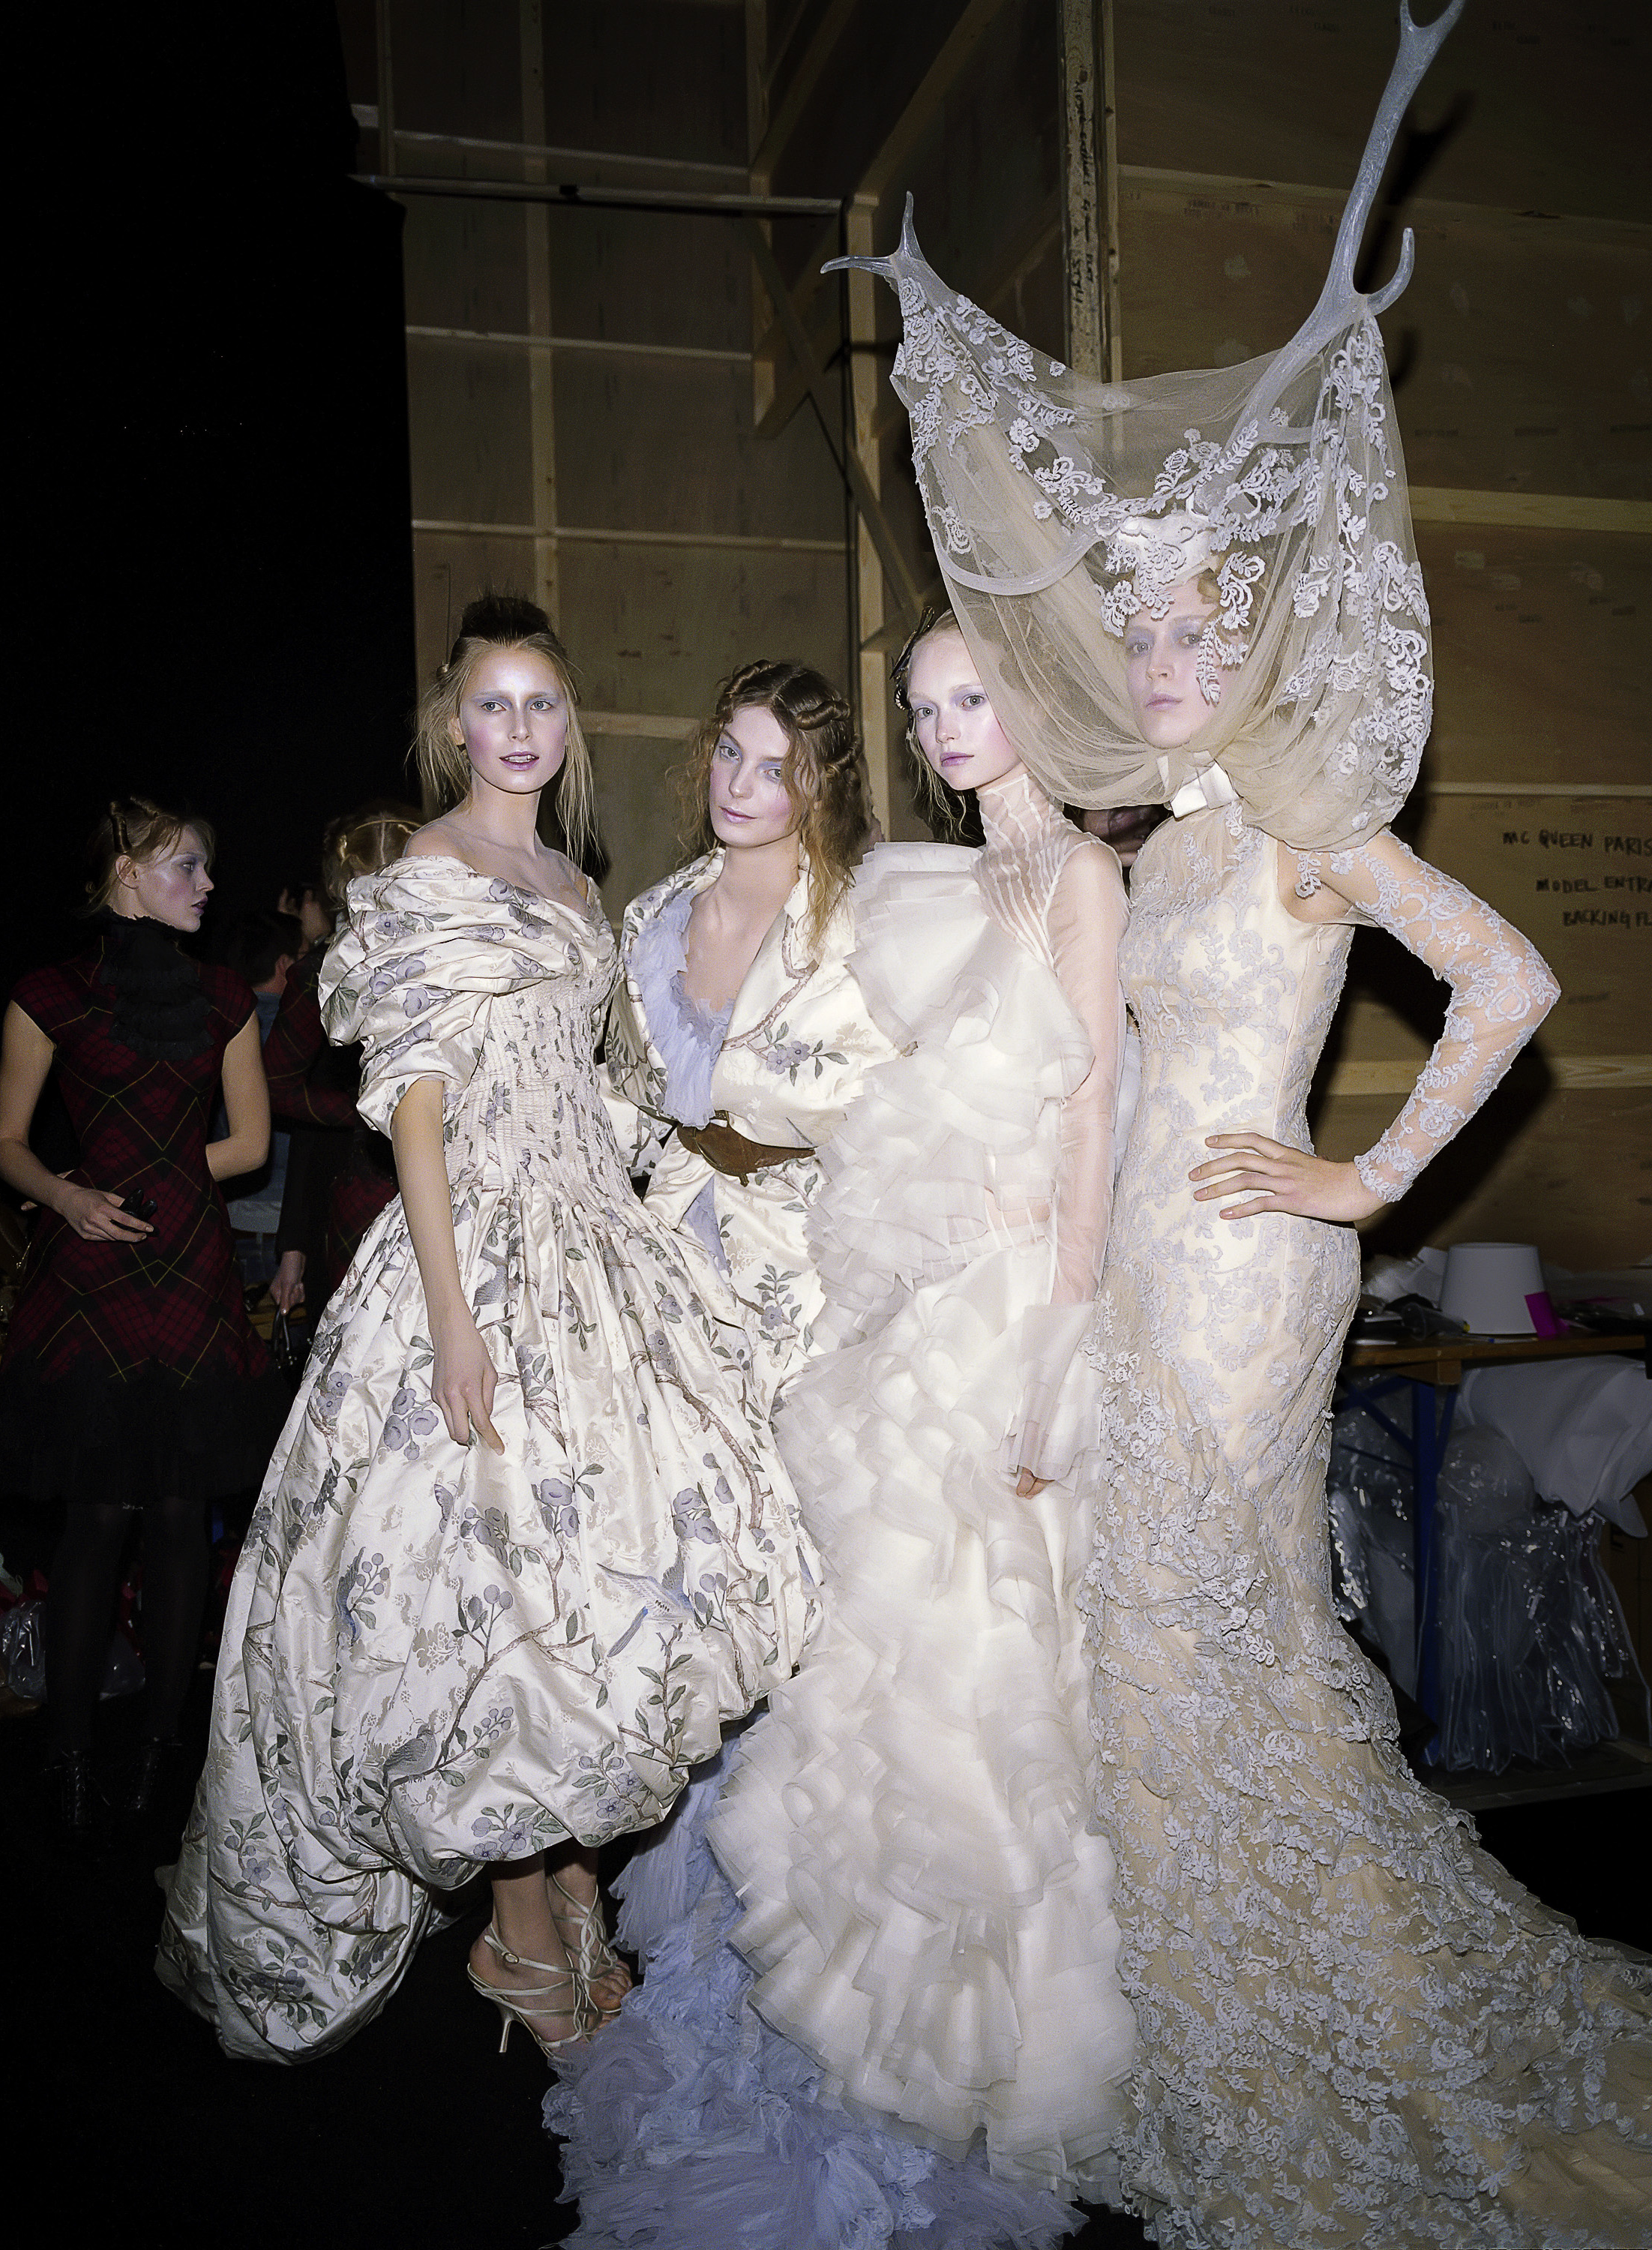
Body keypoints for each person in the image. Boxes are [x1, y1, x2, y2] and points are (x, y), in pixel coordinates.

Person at [837, 9, 1652, 2231]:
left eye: (1200, 623)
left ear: (1248, 632)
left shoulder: (1312, 822)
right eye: (1151, 633)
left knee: (1218, 1614)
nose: (1173, 655)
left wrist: (1375, 1175)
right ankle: (1190, 2003)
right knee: (1141, 1626)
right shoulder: (1150, 835)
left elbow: (1512, 979)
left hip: (1255, 1250)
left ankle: (1326, 2024)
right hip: (1138, 1239)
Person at [156, 596, 818, 2063]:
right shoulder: (421, 877)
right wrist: (455, 1323)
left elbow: (607, 1090)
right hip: (472, 1263)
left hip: (596, 1258)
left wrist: (752, 1153)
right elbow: (417, 1110)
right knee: (489, 1594)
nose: (518, 731)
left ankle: (573, 1886)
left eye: (542, 706)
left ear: (566, 724)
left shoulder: (579, 889)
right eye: (493, 705)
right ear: (451, 723)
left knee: (596, 1589)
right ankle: (516, 1937)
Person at [547, 612, 1139, 2238]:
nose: (949, 727)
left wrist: (1046, 1346)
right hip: (777, 1293)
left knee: (944, 1656)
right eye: (929, 706)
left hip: (910, 1302)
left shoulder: (934, 902)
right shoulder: (900, 894)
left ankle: (975, 2018)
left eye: (975, 700)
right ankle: (745, 1951)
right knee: (785, 1635)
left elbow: (1067, 1125)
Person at [0, 798, 282, 1832]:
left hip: (192, 1271)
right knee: (94, 1519)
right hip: (91, 1275)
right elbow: (9, 1141)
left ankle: (167, 1756)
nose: (208, 885)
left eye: (206, 866)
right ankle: (65, 1757)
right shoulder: (48, 992)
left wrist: (154, 1178)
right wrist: (71, 1194)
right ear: (124, 869)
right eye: (187, 866)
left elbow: (248, 1145)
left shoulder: (223, 998)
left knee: (176, 1520)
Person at [604, 659, 892, 1410]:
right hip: (671, 1247)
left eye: (774, 769)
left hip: (815, 1271)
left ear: (817, 787)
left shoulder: (864, 930)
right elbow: (623, 1111)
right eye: (730, 752)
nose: (736, 786)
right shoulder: (653, 919)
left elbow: (909, 1125)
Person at [262, 802, 422, 1318]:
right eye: (369, 880)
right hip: (367, 1191)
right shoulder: (324, 971)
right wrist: (371, 1109)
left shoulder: (463, 955)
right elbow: (280, 1087)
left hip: (467, 1178)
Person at [216, 908, 301, 1294]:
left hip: (227, 1218)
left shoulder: (215, 1024)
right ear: (285, 965)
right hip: (283, 1229)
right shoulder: (298, 1034)